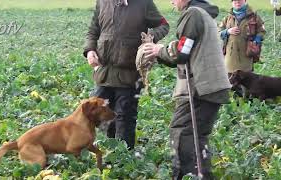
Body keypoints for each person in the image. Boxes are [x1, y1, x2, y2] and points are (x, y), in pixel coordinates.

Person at [142, 0, 231, 179]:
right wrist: (162, 53)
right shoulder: (203, 13)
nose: (171, 1)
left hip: (201, 87)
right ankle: (203, 175)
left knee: (182, 133)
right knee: (197, 138)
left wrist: (160, 50)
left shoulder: (193, 14)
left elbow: (183, 50)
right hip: (212, 87)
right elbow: (186, 49)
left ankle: (185, 176)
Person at [83, 0, 169, 150]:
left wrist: (150, 37)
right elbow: (93, 30)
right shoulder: (103, 2)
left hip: (129, 73)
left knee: (124, 118)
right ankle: (108, 151)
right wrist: (90, 50)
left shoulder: (144, 3)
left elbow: (163, 25)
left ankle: (124, 156)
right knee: (101, 115)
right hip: (104, 72)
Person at [219, 0, 266, 97]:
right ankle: (235, 102)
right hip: (230, 56)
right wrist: (227, 31)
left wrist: (256, 40)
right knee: (231, 79)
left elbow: (262, 31)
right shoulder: (227, 18)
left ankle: (248, 101)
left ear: (245, 1)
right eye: (234, 0)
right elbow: (218, 31)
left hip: (246, 54)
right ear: (232, 2)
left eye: (240, 0)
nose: (237, 2)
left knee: (247, 79)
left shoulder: (254, 16)